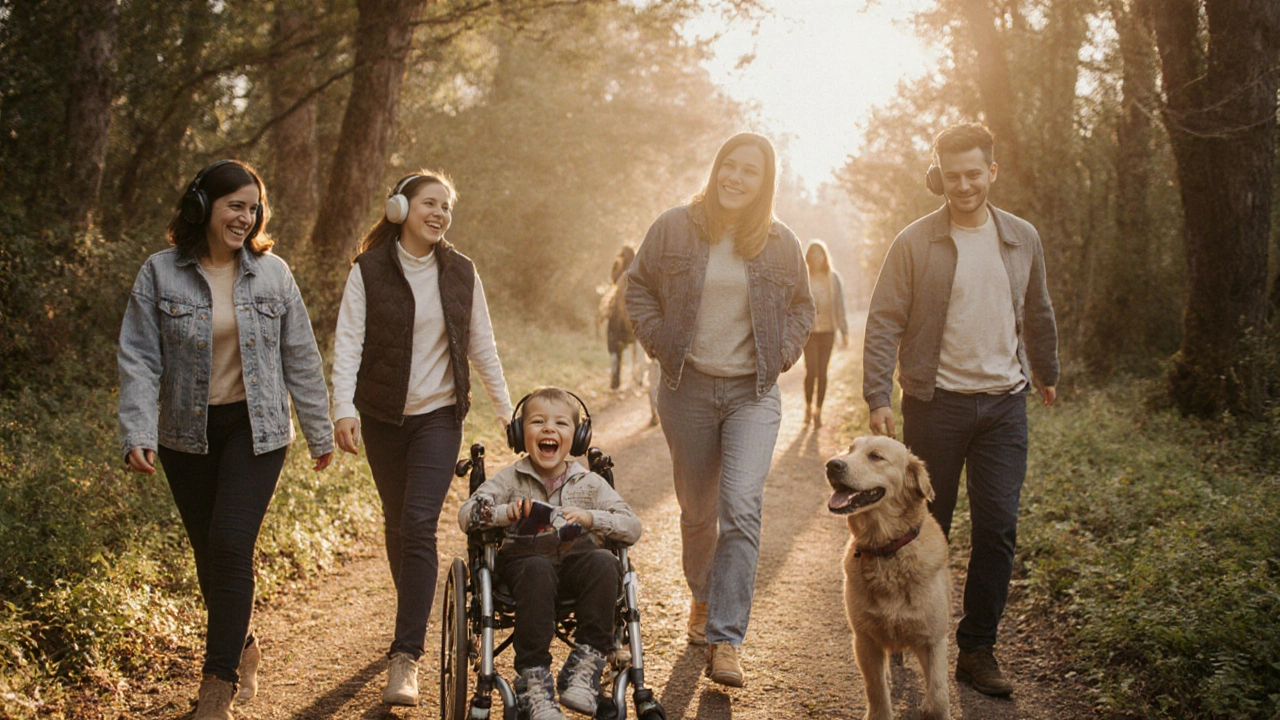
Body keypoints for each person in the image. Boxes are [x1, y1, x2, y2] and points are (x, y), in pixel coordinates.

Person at [118, 159, 334, 720]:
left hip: (256, 430)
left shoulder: (274, 274)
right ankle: (241, 646)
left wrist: (318, 430)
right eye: (235, 204)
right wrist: (137, 430)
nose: (246, 216)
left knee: (232, 543)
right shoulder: (159, 273)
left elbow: (302, 359)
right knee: (209, 555)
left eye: (253, 207)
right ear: (202, 207)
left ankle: (216, 690)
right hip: (185, 434)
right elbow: (139, 359)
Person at [863, 123, 1059, 698]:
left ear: (992, 172)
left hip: (1004, 405)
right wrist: (879, 395)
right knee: (920, 527)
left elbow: (1038, 308)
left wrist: (1046, 371)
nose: (965, 185)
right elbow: (884, 321)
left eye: (975, 173)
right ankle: (899, 631)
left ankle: (976, 650)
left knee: (997, 526)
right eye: (954, 176)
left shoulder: (1022, 237)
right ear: (940, 176)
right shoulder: (916, 241)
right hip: (935, 404)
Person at [625, 132, 814, 687]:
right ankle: (703, 598)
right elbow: (636, 288)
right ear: (715, 169)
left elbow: (803, 305)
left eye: (749, 171)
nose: (735, 177)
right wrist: (659, 341)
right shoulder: (674, 226)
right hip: (686, 388)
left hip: (752, 393)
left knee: (741, 506)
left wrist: (783, 351)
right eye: (728, 165)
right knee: (697, 510)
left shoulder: (781, 242)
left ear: (764, 182)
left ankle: (726, 639)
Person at [330, 170, 513, 706]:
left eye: (446, 207)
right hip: (383, 415)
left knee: (417, 524)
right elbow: (348, 343)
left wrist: (508, 412)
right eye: (428, 203)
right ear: (398, 208)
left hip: (439, 415)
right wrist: (343, 408)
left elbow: (483, 344)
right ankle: (410, 609)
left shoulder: (460, 272)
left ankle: (404, 655)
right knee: (395, 520)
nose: (438, 214)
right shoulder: (368, 270)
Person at [458, 387, 641, 720]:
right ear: (519, 434)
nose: (548, 429)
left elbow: (631, 526)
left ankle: (584, 668)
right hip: (526, 567)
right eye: (537, 421)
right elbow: (466, 514)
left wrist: (590, 518)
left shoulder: (589, 483)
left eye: (560, 423)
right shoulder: (510, 478)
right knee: (538, 569)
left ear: (578, 437)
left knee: (605, 562)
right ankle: (534, 684)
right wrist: (506, 512)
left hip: (577, 568)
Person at [801, 239, 849, 429]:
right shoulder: (804, 278)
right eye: (812, 256)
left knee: (822, 372)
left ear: (824, 257)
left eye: (819, 255)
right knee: (811, 370)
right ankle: (807, 406)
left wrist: (844, 330)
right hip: (809, 333)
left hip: (828, 331)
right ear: (808, 259)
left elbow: (840, 306)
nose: (816, 259)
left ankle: (818, 411)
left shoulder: (833, 279)